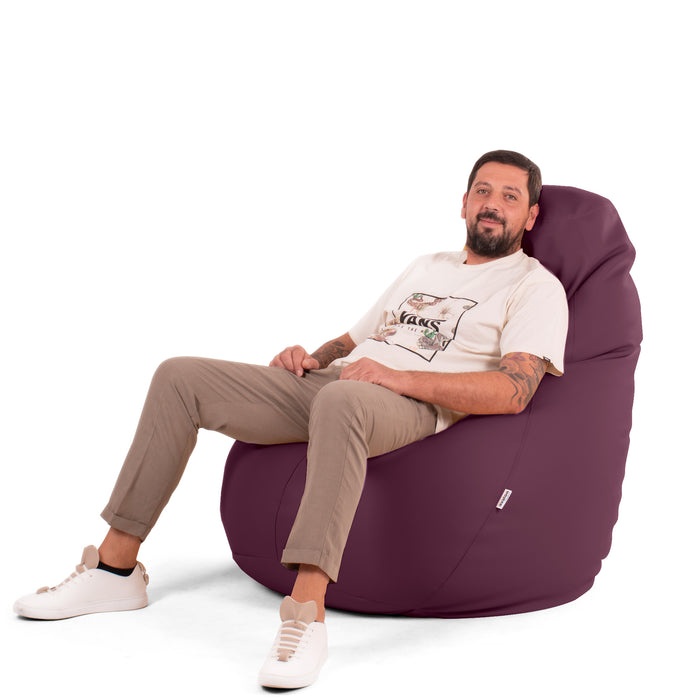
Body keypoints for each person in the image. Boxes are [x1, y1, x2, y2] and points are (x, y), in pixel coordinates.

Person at [13, 149, 569, 689]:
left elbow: (513, 391)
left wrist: (397, 378)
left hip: (412, 402)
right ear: (463, 203)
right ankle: (115, 570)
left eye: (510, 197)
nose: (493, 204)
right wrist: (312, 359)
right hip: (343, 382)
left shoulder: (534, 286)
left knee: (342, 401)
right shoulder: (427, 266)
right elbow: (354, 339)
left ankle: (305, 612)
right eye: (482, 191)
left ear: (530, 215)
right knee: (178, 376)